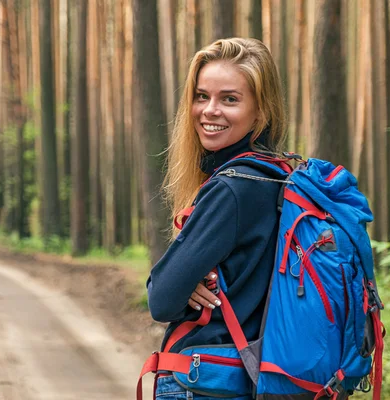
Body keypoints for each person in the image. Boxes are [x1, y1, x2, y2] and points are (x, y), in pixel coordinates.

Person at [146, 37, 287, 399]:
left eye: (229, 99)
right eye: (201, 96)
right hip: (253, 376)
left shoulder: (231, 189)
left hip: (207, 380)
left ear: (261, 111)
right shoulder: (279, 177)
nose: (209, 110)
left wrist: (185, 280)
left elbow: (161, 300)